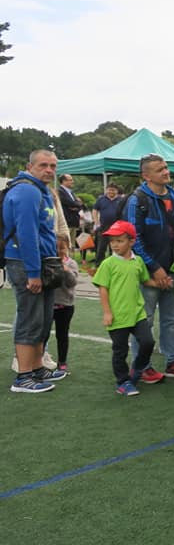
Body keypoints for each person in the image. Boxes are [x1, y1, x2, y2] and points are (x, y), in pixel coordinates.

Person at [125, 154, 174, 383]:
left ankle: (173, 361)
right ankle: (142, 365)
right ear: (146, 176)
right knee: (144, 321)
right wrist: (155, 269)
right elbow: (134, 239)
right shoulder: (137, 200)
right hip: (148, 273)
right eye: (159, 170)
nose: (166, 172)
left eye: (166, 167)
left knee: (171, 320)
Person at [5, 149, 70, 393]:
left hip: (42, 261)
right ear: (30, 166)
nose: (49, 170)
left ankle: (36, 369)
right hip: (25, 262)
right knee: (30, 319)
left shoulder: (41, 190)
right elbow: (26, 234)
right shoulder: (27, 191)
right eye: (43, 165)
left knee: (42, 319)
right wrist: (33, 272)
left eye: (53, 166)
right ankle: (23, 377)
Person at [93, 221, 160, 396]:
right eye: (112, 241)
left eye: (119, 241)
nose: (115, 245)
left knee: (148, 343)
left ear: (131, 242)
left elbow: (145, 280)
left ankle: (136, 370)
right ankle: (123, 382)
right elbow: (103, 288)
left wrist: (161, 283)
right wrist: (107, 312)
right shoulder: (108, 264)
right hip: (117, 316)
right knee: (120, 351)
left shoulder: (138, 261)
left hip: (137, 313)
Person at [49, 235, 79, 373]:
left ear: (68, 247)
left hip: (65, 305)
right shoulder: (48, 263)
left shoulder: (71, 264)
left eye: (62, 248)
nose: (59, 251)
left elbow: (72, 283)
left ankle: (62, 361)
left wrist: (66, 270)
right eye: (56, 248)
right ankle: (40, 358)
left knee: (62, 335)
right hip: (49, 305)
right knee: (43, 334)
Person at [92, 183, 123, 265]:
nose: (111, 192)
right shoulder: (101, 199)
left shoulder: (121, 200)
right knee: (101, 247)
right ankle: (99, 264)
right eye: (109, 190)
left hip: (117, 226)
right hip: (103, 226)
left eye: (113, 190)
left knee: (116, 246)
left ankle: (115, 263)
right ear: (106, 190)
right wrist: (96, 222)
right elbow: (95, 210)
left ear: (117, 191)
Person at [57, 173, 84, 249]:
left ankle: (71, 260)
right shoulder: (60, 191)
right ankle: (64, 260)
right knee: (64, 244)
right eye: (70, 180)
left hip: (73, 221)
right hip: (66, 222)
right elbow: (70, 202)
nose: (73, 181)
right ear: (64, 181)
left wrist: (77, 205)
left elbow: (80, 204)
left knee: (71, 245)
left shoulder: (71, 192)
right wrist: (77, 204)